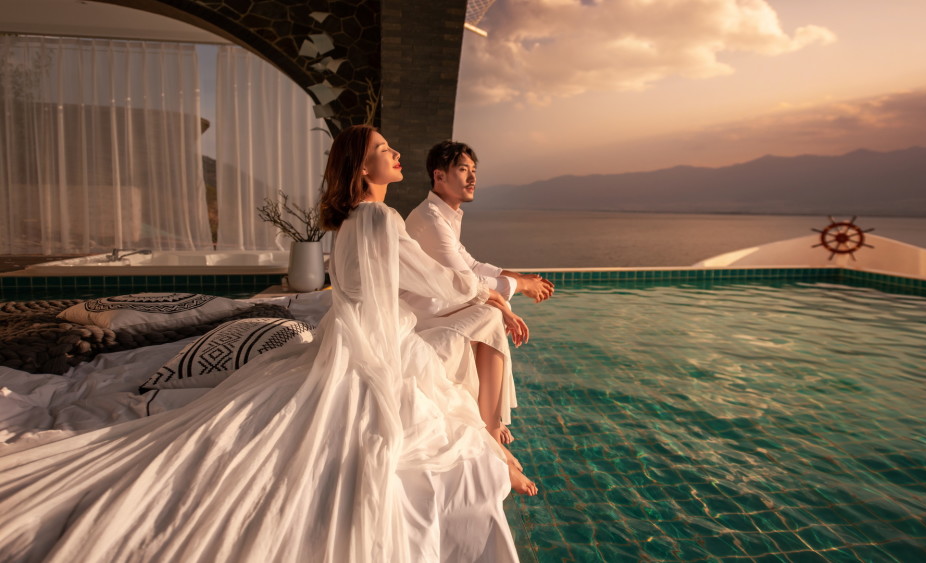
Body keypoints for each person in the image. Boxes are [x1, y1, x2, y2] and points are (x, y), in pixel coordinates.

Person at [0, 125, 533, 563]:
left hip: (348, 334)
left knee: (449, 385)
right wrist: (492, 293)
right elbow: (437, 280)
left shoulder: (352, 220)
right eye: (383, 149)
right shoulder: (380, 217)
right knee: (436, 407)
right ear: (362, 168)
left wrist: (483, 291)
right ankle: (495, 453)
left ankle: (495, 447)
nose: (395, 154)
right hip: (376, 342)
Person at [405, 141, 554, 446]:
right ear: (439, 176)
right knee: (490, 315)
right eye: (463, 170)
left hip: (438, 306)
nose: (473, 178)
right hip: (421, 316)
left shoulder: (442, 215)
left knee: (492, 310)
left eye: (474, 170)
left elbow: (471, 264)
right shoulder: (431, 220)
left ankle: (489, 417)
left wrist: (518, 278)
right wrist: (519, 288)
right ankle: (491, 426)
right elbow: (467, 280)